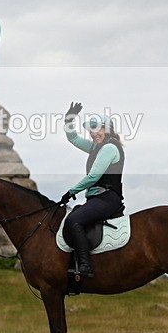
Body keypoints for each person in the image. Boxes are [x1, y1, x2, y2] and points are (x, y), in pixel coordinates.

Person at [59, 102, 125, 279]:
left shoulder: (110, 148)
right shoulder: (95, 147)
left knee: (73, 220)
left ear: (107, 129)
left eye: (97, 128)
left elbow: (93, 177)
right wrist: (69, 119)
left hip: (107, 197)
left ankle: (85, 266)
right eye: (90, 130)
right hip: (96, 199)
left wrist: (72, 191)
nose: (93, 133)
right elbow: (72, 138)